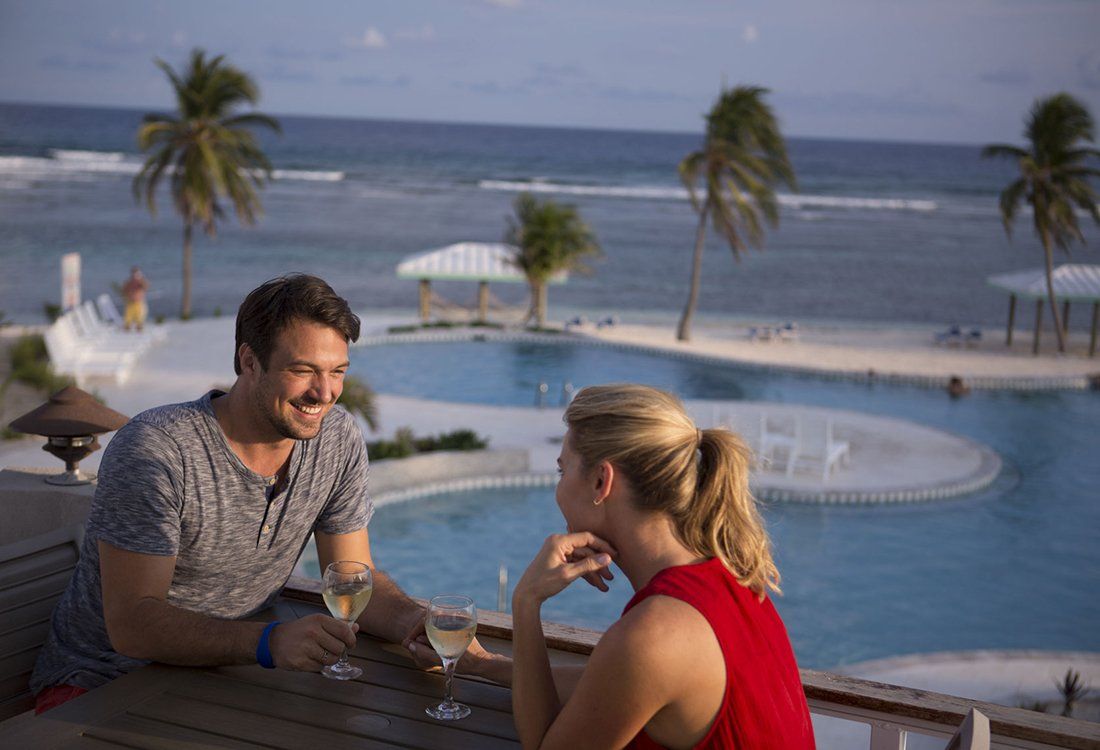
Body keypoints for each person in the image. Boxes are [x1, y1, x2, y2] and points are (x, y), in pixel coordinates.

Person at [30, 274, 424, 713]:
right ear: (249, 362)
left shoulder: (336, 439)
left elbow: (354, 577)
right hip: (100, 682)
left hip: (226, 675)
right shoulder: (157, 451)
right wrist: (269, 642)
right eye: (303, 370)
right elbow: (133, 625)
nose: (324, 392)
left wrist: (416, 624)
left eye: (337, 372)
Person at [427, 384, 815, 749]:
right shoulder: (731, 574)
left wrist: (526, 602)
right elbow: (610, 687)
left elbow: (546, 742)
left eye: (563, 471)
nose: (558, 488)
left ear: (601, 482)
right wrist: (487, 665)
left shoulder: (656, 633)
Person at [121, 266, 150, 331]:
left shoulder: (141, 282)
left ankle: (139, 327)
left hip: (139, 302)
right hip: (130, 302)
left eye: (137, 274)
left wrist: (141, 280)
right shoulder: (129, 282)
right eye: (134, 274)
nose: (135, 276)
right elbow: (123, 290)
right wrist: (125, 296)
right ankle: (127, 327)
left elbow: (146, 287)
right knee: (128, 317)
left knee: (139, 317)